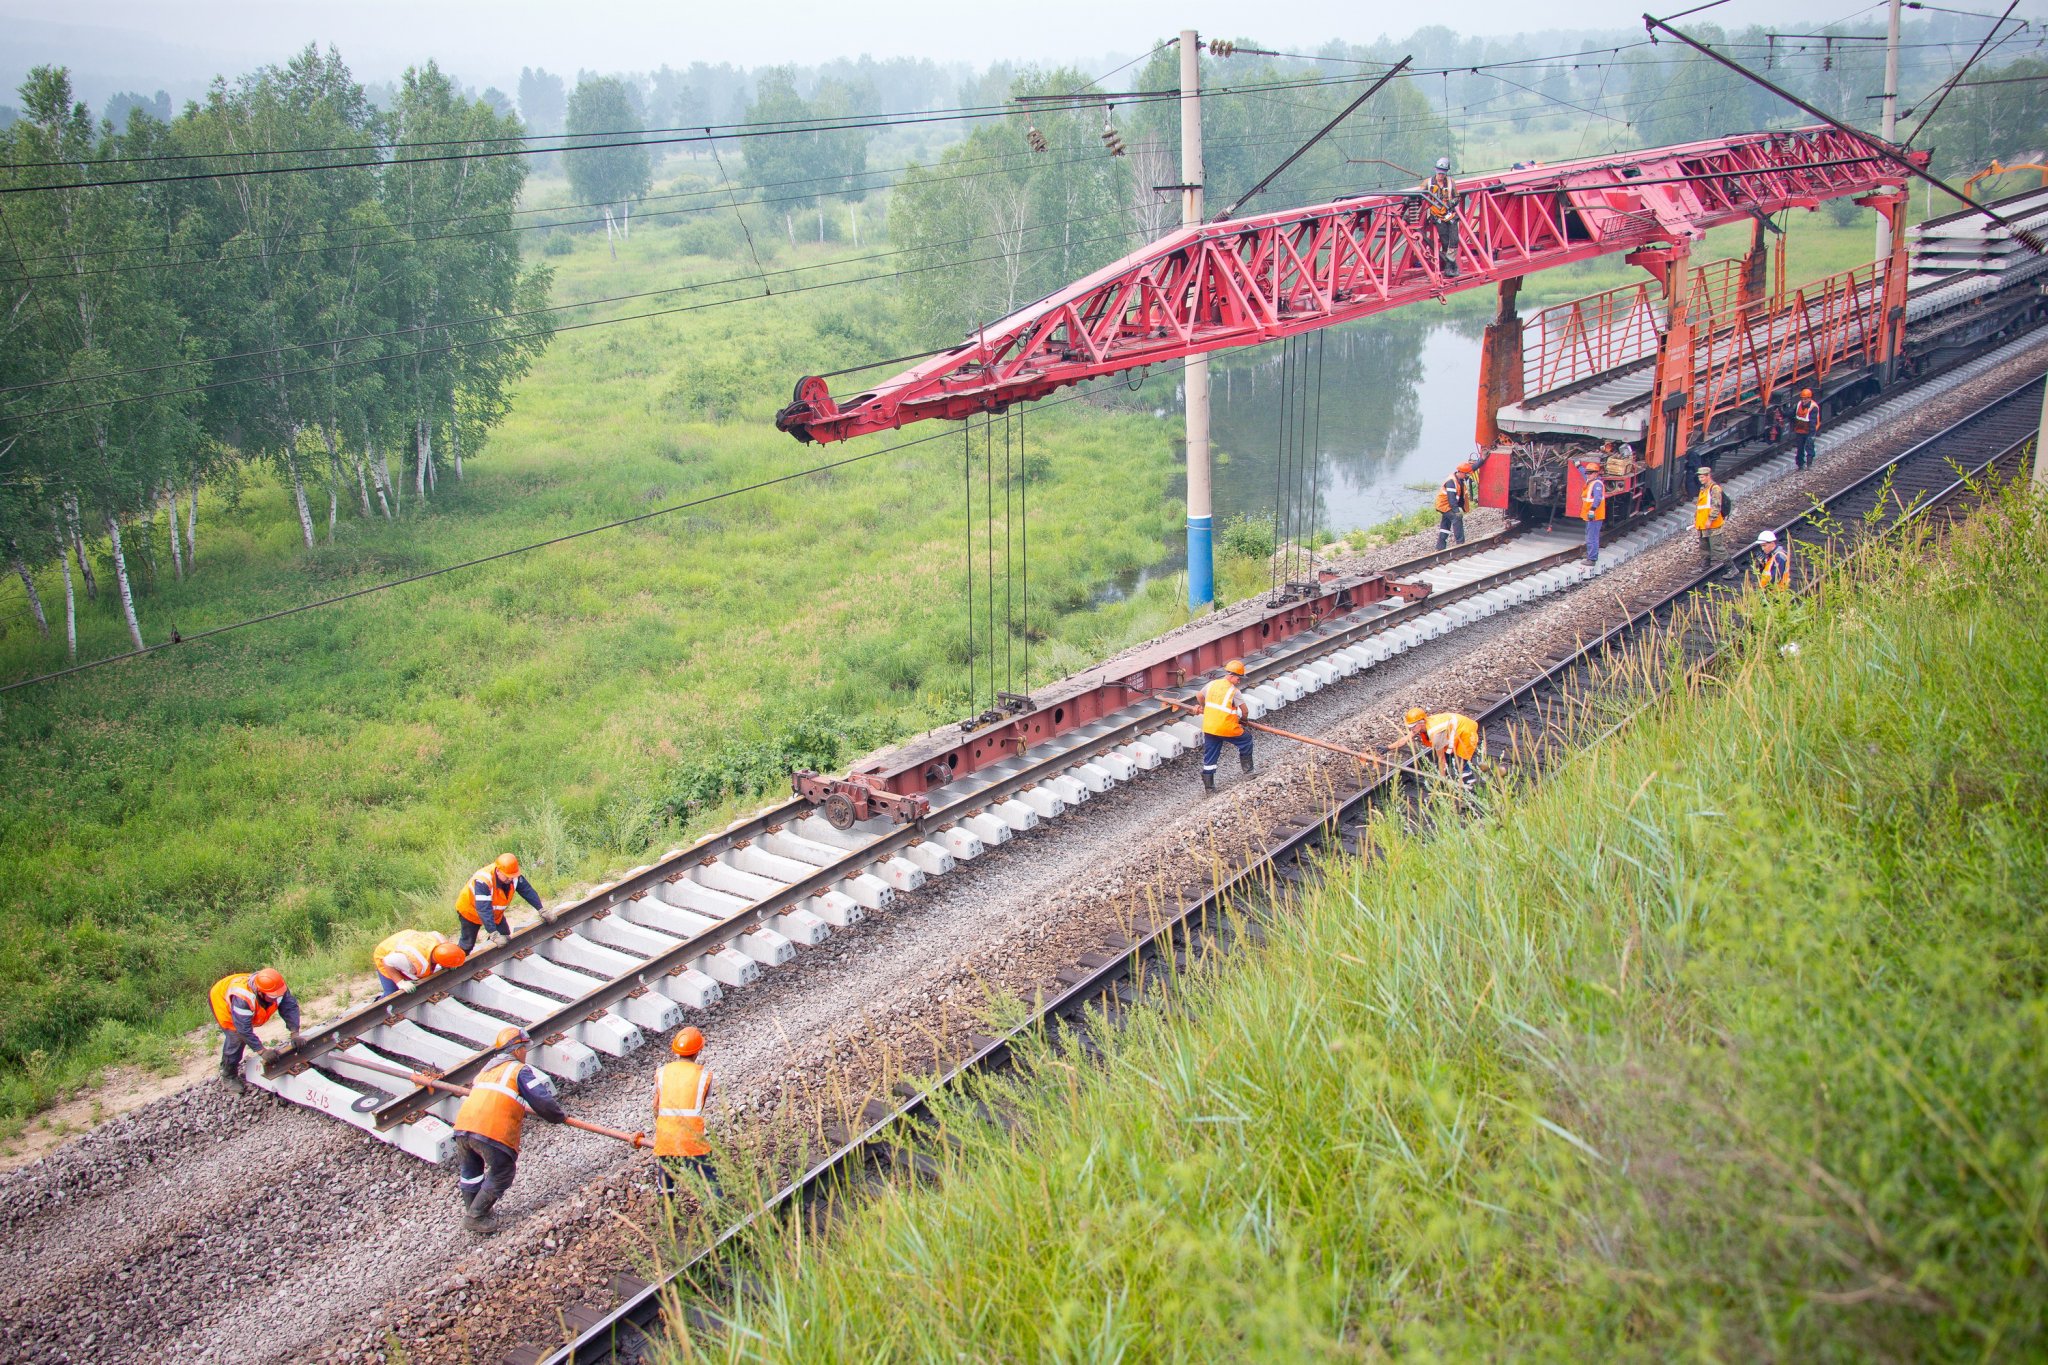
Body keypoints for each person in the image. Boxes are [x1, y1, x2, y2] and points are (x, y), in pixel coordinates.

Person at [452, 1026, 566, 1234]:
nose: (525, 1053)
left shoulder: (486, 1071)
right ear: (516, 1050)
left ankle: (475, 1211)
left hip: (462, 1127)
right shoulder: (517, 1070)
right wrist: (558, 1117)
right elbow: (541, 1100)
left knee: (471, 1171)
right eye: (524, 1049)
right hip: (490, 1131)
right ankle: (475, 1216)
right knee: (503, 1171)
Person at [652, 1026, 721, 1206]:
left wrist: (663, 1127)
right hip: (692, 1139)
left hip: (666, 1136)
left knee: (666, 1179)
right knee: (708, 1180)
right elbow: (701, 1103)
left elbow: (656, 1105)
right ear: (699, 1050)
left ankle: (667, 1216)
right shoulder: (705, 1076)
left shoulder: (662, 1073)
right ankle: (718, 1215)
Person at [209, 967, 302, 1092]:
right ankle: (228, 1075)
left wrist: (294, 1032)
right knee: (235, 1037)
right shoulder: (242, 999)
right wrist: (262, 1051)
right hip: (221, 999)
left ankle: (229, 1070)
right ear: (260, 992)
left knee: (241, 1032)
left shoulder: (277, 988)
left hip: (243, 994)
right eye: (272, 997)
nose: (276, 999)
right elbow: (243, 1029)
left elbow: (289, 1007)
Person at [456, 853, 544, 952]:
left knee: (504, 934)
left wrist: (542, 910)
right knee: (467, 944)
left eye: (512, 876)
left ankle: (489, 956)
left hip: (494, 913)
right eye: (507, 876)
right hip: (470, 911)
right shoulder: (483, 880)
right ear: (498, 871)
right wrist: (493, 933)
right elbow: (484, 909)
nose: (510, 879)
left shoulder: (512, 875)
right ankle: (454, 964)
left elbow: (528, 891)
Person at [1390, 707, 1482, 789]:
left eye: (1412, 727)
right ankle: (1444, 776)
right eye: (1409, 727)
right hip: (1456, 729)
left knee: (1460, 762)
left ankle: (1470, 785)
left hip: (1466, 732)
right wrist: (1388, 748)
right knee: (1447, 757)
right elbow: (1405, 739)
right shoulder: (1422, 725)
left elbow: (1441, 759)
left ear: (1421, 723)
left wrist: (1442, 780)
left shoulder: (1436, 734)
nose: (1411, 729)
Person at [1198, 659, 1253, 794]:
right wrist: (1244, 720)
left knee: (1210, 754)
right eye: (1238, 678)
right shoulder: (1234, 691)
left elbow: (1199, 695)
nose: (1239, 681)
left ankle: (1209, 788)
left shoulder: (1212, 684)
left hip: (1210, 727)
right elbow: (1245, 711)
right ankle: (1249, 772)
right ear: (1231, 676)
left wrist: (1203, 707)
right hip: (1226, 727)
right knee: (1246, 740)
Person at [372, 929, 466, 998]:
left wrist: (451, 963)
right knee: (392, 993)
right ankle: (378, 1006)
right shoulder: (410, 959)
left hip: (404, 938)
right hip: (384, 953)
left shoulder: (441, 940)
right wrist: (400, 982)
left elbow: (435, 934)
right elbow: (387, 962)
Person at [1423, 156, 1458, 276]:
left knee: (1454, 240)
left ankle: (1451, 263)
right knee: (1444, 240)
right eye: (1439, 173)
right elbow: (1418, 193)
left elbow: (1456, 197)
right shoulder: (1428, 182)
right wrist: (1408, 198)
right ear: (1435, 170)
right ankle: (1449, 266)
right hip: (1437, 215)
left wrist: (1451, 203)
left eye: (1443, 173)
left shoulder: (1450, 182)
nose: (1440, 175)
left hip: (1449, 214)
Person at [1435, 461, 1476, 550]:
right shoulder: (1451, 481)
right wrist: (1456, 511)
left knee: (1445, 526)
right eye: (1466, 474)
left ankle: (1440, 547)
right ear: (1461, 473)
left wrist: (1482, 460)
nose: (1467, 476)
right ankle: (1460, 544)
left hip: (1447, 505)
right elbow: (1451, 498)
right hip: (1445, 505)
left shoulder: (1459, 479)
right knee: (1457, 518)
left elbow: (1472, 468)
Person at [1694, 465, 1727, 567]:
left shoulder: (1714, 488)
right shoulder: (1703, 489)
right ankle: (1705, 566)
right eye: (1699, 477)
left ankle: (1731, 568)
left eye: (1702, 477)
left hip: (1712, 524)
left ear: (1708, 476)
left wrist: (1710, 519)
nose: (1700, 479)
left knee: (1716, 547)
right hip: (1702, 524)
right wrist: (1696, 519)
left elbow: (1716, 506)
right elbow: (1701, 507)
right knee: (1704, 547)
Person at [1579, 460, 1606, 566]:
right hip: (1589, 515)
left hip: (1595, 515)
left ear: (1596, 473)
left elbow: (1597, 499)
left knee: (1592, 537)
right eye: (1587, 473)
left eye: (1590, 473)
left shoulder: (1597, 484)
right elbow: (1582, 472)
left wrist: (1592, 510)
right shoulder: (1590, 481)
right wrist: (1578, 466)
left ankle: (1592, 559)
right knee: (1589, 535)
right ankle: (1590, 555)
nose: (1588, 475)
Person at [1792, 388, 1821, 469]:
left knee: (1809, 447)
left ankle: (1809, 465)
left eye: (1805, 399)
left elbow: (1812, 422)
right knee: (1800, 448)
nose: (1803, 401)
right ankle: (1800, 465)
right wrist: (1783, 413)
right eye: (1802, 399)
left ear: (1809, 398)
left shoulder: (1813, 407)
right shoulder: (1799, 404)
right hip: (1800, 431)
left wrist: (1812, 435)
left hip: (1809, 431)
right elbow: (1792, 413)